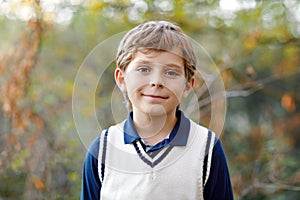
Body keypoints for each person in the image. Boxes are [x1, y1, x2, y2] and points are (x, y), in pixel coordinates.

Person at [80, 21, 234, 200]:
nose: (156, 81)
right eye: (143, 69)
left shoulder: (206, 148)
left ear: (187, 86)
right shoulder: (102, 150)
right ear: (121, 79)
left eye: (171, 73)